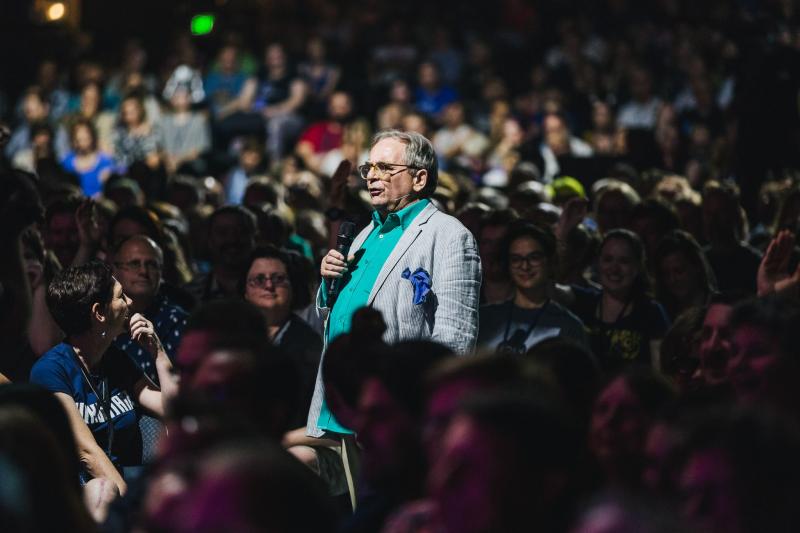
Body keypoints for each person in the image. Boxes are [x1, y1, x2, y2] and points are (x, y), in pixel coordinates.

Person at [309, 130, 481, 438]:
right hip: (336, 410)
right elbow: (333, 319)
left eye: (385, 168)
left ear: (419, 179)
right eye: (369, 168)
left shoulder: (450, 236)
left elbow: (455, 339)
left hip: (395, 417)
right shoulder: (364, 234)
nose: (372, 177)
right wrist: (327, 284)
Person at [30, 261, 176, 495]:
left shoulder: (115, 359)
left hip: (126, 478)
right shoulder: (50, 371)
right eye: (120, 296)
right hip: (78, 491)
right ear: (99, 313)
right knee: (103, 491)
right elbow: (87, 453)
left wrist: (158, 352)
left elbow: (175, 409)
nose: (129, 302)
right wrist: (131, 514)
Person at [478, 222, 587, 354]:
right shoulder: (485, 317)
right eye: (516, 259)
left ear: (550, 261)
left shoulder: (569, 325)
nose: (525, 266)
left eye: (534, 258)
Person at [242, 246, 321, 427]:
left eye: (278, 279)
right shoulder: (231, 336)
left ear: (293, 287)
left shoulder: (310, 345)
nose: (269, 286)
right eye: (259, 279)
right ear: (245, 290)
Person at [570, 229, 670, 371]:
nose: (614, 268)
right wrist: (563, 229)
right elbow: (547, 288)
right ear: (598, 263)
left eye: (624, 261)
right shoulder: (583, 301)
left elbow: (660, 373)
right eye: (608, 259)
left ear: (637, 267)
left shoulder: (651, 312)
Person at [61, 119, 114, 198]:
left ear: (92, 136)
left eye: (85, 136)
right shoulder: (66, 163)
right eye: (78, 137)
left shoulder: (104, 161)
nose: (82, 137)